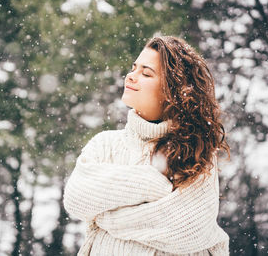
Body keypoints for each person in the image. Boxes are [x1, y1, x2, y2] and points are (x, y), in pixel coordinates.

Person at [62, 35, 231, 255]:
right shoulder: (105, 144)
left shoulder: (195, 152)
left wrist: (103, 216)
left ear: (172, 92)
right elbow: (76, 198)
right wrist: (154, 183)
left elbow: (186, 229)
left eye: (146, 73)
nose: (131, 77)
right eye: (133, 68)